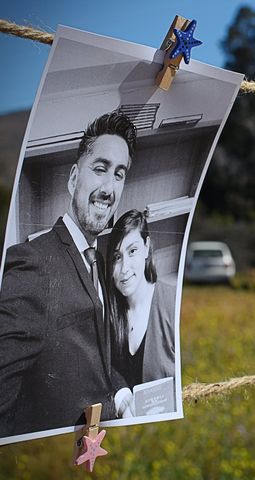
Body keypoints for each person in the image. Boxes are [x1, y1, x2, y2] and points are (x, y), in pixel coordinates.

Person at [0, 111, 136, 437]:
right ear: (74, 178)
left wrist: (119, 392)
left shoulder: (97, 262)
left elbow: (91, 357)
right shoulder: (30, 262)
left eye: (119, 174)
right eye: (100, 169)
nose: (109, 187)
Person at [106, 209, 175, 394]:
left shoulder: (172, 302)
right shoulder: (111, 315)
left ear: (146, 247)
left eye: (132, 251)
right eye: (117, 258)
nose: (124, 269)